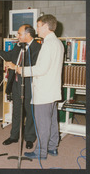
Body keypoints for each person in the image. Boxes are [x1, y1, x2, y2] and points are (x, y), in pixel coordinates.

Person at [0, 24, 41, 149]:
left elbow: (35, 68)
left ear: (28, 35)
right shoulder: (18, 45)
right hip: (16, 83)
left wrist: (16, 67)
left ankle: (29, 138)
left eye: (19, 34)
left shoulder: (38, 48)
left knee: (30, 111)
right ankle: (14, 136)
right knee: (17, 111)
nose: (17, 36)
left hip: (30, 85)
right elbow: (9, 56)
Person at [17, 15, 64, 159]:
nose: (36, 28)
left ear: (45, 26)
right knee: (52, 122)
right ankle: (52, 148)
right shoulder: (58, 43)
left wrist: (21, 70)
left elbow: (41, 69)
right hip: (52, 90)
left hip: (44, 92)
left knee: (43, 124)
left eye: (38, 26)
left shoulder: (48, 45)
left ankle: (41, 153)